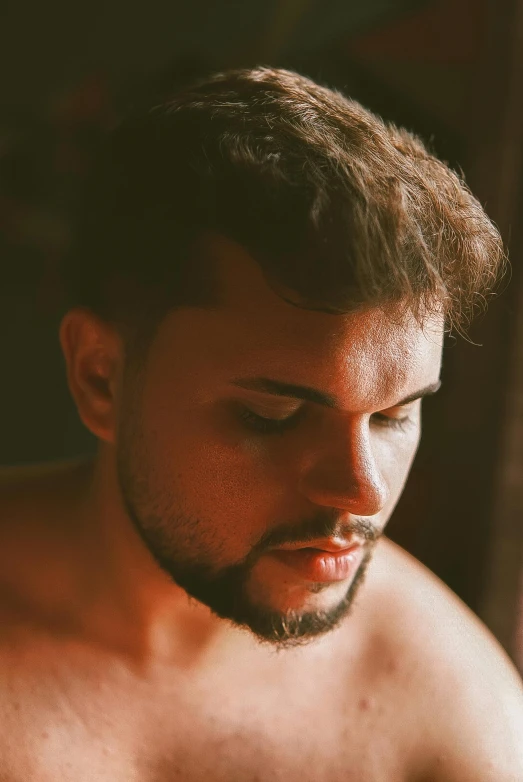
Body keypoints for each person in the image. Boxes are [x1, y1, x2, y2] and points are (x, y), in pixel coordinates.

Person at [0, 66, 521, 781]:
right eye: (273, 416)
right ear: (101, 377)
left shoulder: (451, 722)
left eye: (394, 415)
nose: (362, 492)